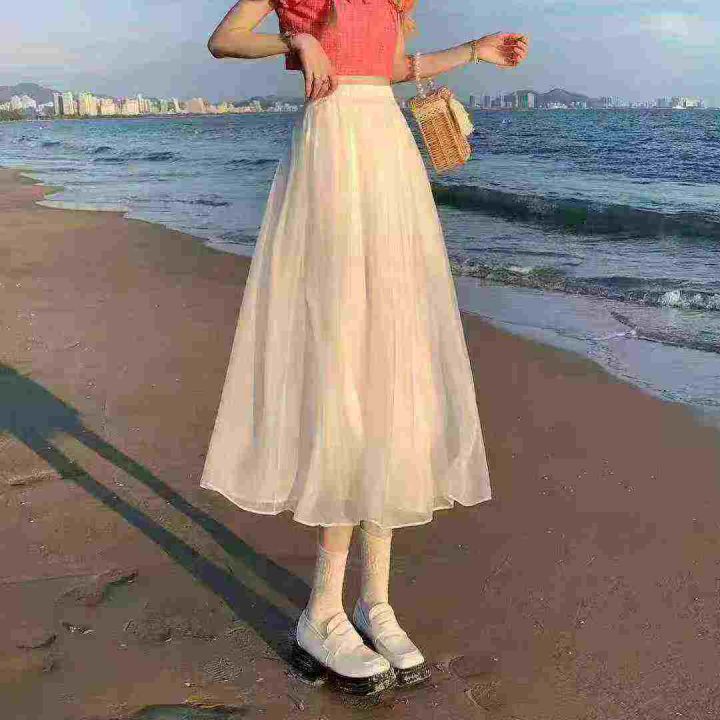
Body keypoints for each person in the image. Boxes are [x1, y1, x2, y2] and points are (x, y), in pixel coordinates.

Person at [201, 0, 529, 697]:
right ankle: (321, 611)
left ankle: (373, 602)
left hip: (387, 152)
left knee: (393, 360)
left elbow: (395, 67)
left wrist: (475, 50)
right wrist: (298, 42)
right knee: (344, 360)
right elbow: (225, 39)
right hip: (331, 152)